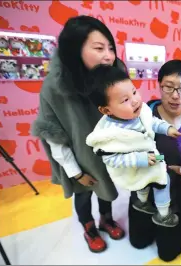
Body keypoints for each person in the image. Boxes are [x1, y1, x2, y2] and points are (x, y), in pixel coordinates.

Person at [31, 16, 125, 253]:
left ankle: (106, 218)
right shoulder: (54, 88)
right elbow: (54, 137)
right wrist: (76, 172)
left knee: (106, 188)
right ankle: (89, 227)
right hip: (79, 159)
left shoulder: (112, 76)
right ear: (75, 50)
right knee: (83, 194)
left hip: (107, 154)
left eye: (111, 48)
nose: (108, 55)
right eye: (99, 48)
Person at [128, 60, 181, 262]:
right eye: (169, 87)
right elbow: (129, 154)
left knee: (167, 254)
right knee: (138, 243)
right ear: (159, 86)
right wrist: (163, 165)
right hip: (144, 192)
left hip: (176, 195)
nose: (175, 95)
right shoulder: (141, 116)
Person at [85, 64, 181, 228]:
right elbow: (113, 160)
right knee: (162, 181)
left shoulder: (141, 110)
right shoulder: (109, 136)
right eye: (125, 100)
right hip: (135, 166)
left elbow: (151, 122)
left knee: (160, 167)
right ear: (106, 110)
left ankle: (142, 201)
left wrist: (167, 128)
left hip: (152, 156)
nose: (135, 100)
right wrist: (140, 159)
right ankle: (164, 215)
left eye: (134, 91)